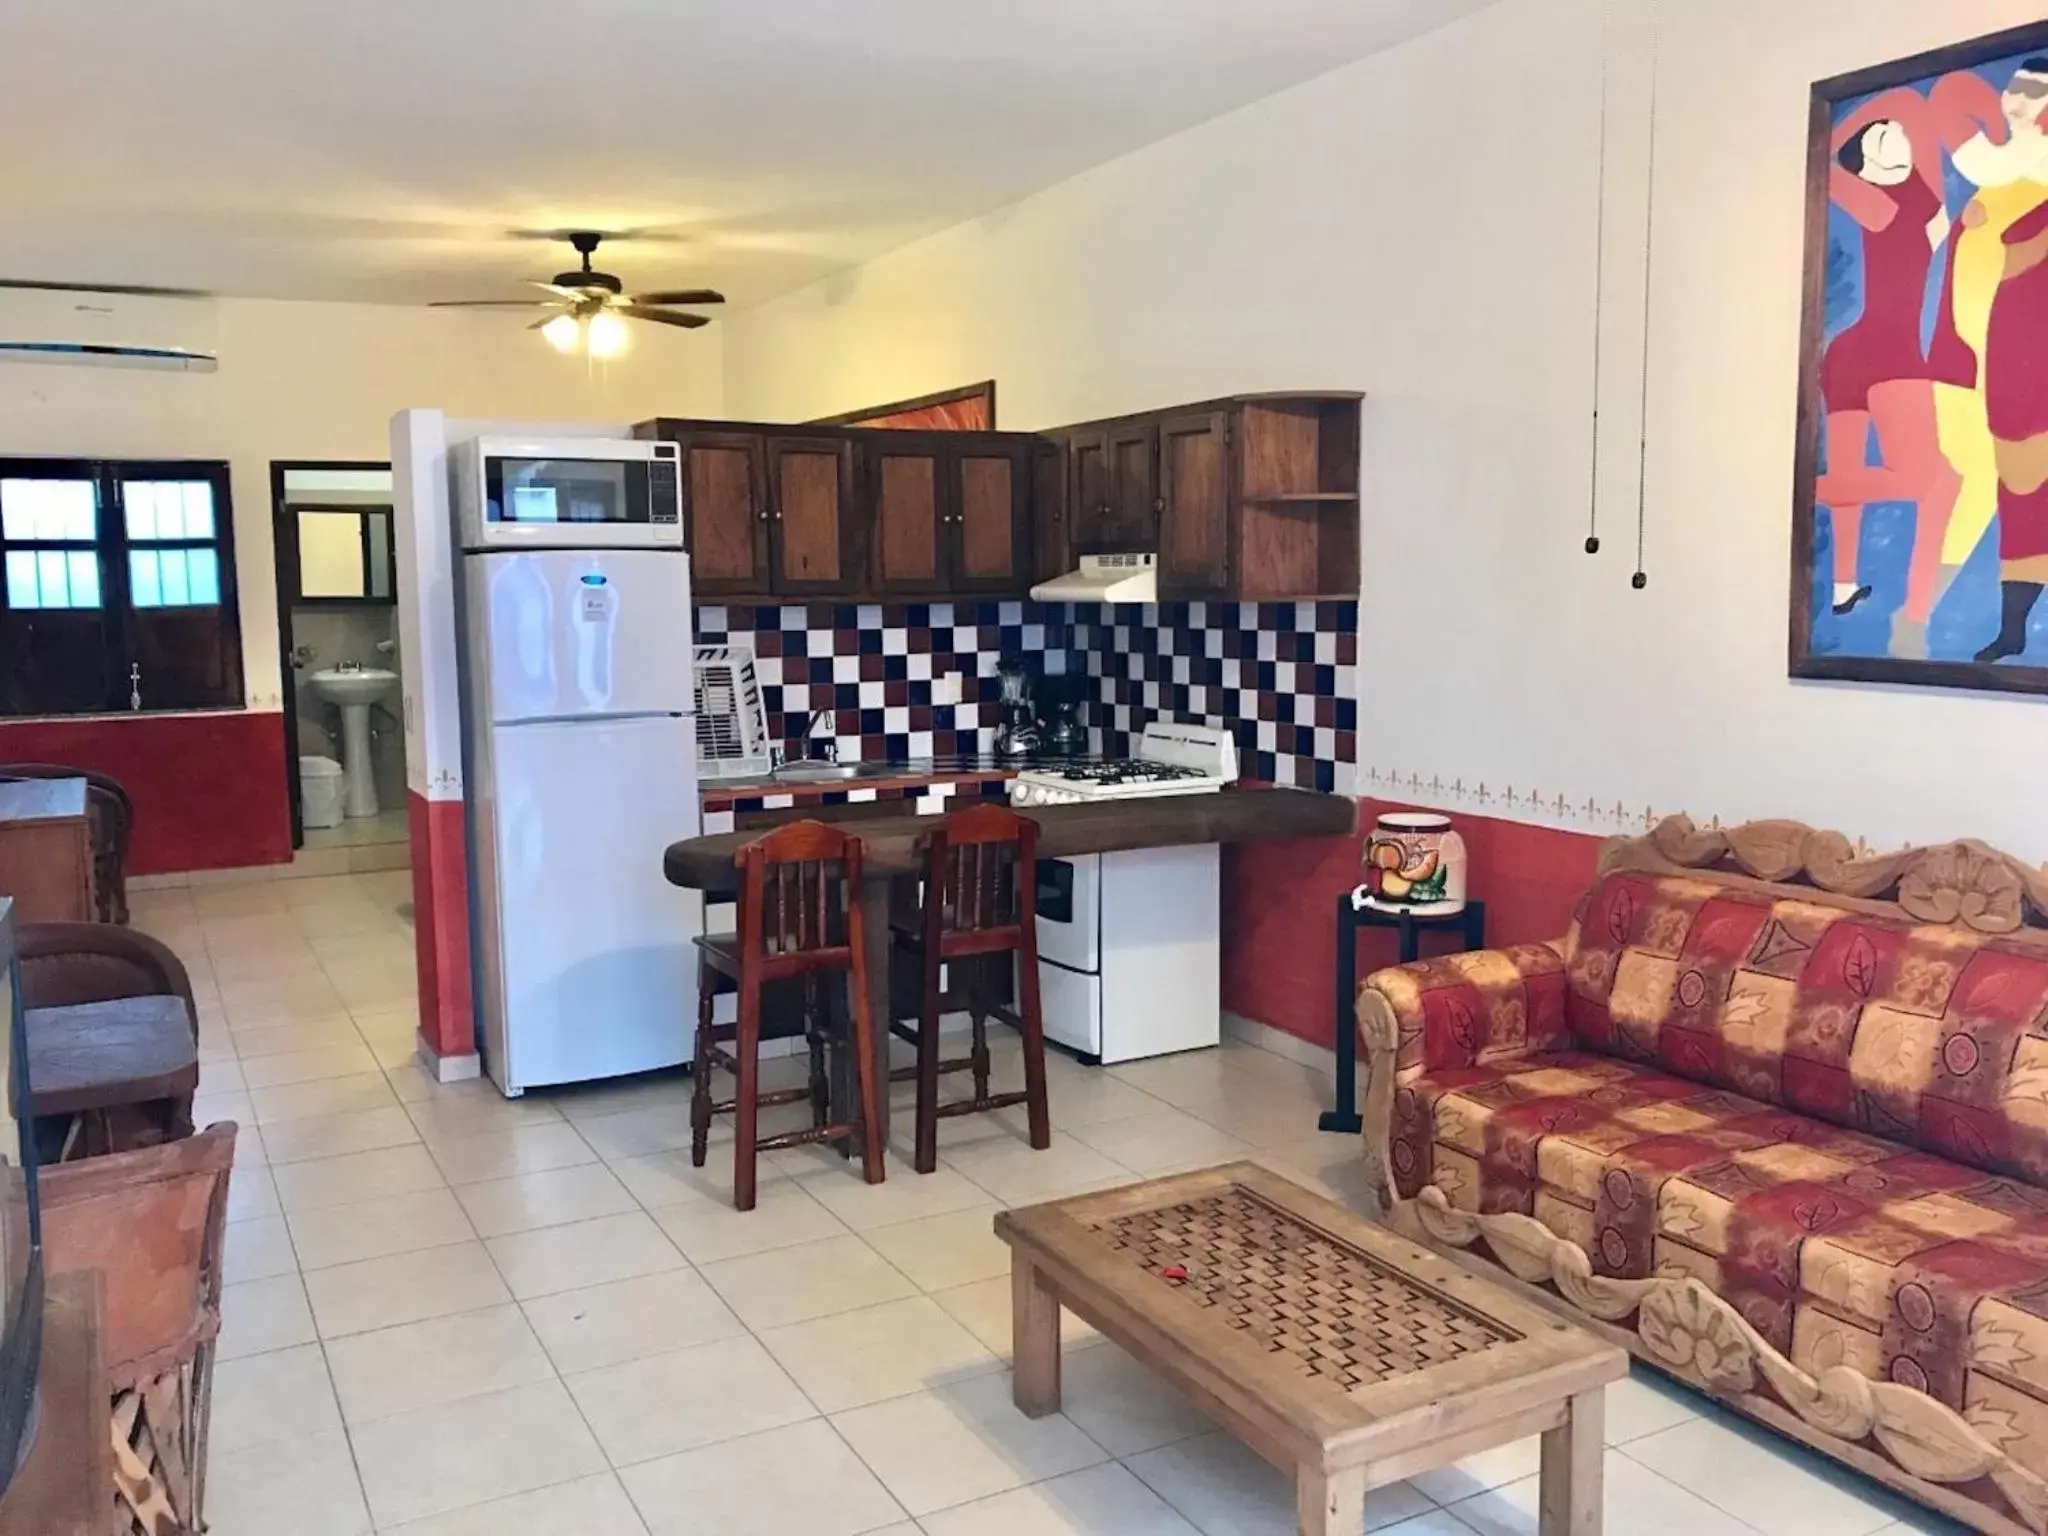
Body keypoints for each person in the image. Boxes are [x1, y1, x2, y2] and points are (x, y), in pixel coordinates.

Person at [1817, 91, 1976, 634]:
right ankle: (1806, 496)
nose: (1902, 137)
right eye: (1887, 138)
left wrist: (1890, 115)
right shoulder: (1878, 202)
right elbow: (1831, 160)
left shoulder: (1925, 200)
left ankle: (1842, 585)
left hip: (1870, 354)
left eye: (1902, 135)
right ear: (1867, 164)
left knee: (1916, 477)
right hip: (1882, 357)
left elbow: (1912, 112)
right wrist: (1856, 131)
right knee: (1922, 478)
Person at [1942, 57, 2048, 663]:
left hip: (2033, 341)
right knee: (2016, 482)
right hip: (2002, 352)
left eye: (2033, 91)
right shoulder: (1996, 169)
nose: (2017, 99)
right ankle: (2013, 627)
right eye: (2015, 87)